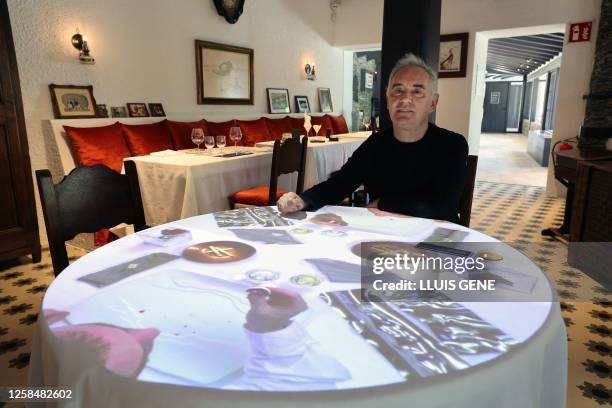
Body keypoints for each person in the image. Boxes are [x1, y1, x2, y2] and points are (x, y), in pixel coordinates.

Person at [277, 53, 468, 223]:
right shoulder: (376, 144)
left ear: (433, 103)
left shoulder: (452, 145)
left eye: (417, 92)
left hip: (437, 241)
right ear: (388, 100)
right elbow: (340, 184)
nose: (405, 99)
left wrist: (383, 203)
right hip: (385, 234)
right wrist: (303, 200)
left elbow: (442, 207)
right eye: (398, 90)